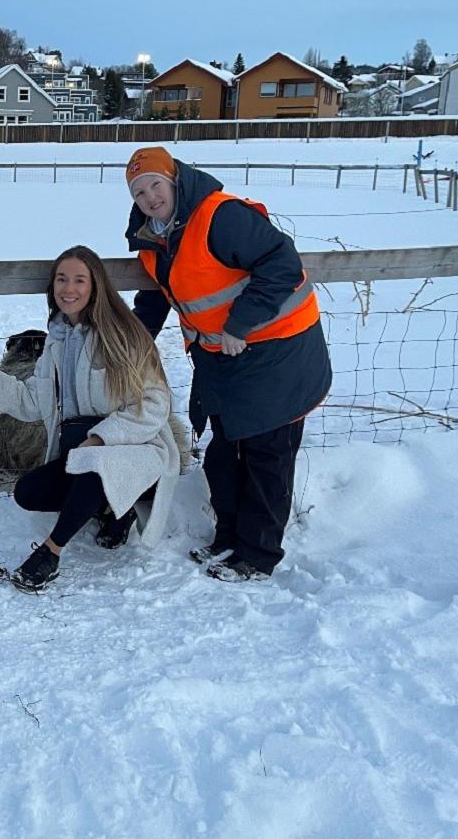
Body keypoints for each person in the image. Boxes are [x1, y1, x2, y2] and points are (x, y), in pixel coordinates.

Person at [124, 146, 331, 582]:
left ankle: (256, 557)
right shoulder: (156, 234)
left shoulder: (220, 216)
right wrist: (130, 342)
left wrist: (240, 323)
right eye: (138, 192)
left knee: (266, 454)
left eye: (155, 185)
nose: (149, 197)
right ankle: (230, 539)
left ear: (175, 179)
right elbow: (161, 293)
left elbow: (282, 263)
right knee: (224, 452)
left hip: (278, 349)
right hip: (223, 357)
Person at [0, 245, 180, 592]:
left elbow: (154, 404)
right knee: (29, 492)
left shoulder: (124, 336)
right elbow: (33, 402)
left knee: (94, 464)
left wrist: (103, 437)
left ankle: (50, 552)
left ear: (96, 287)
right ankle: (112, 511)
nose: (68, 289)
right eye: (62, 279)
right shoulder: (57, 341)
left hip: (136, 451)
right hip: (81, 449)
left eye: (79, 280)